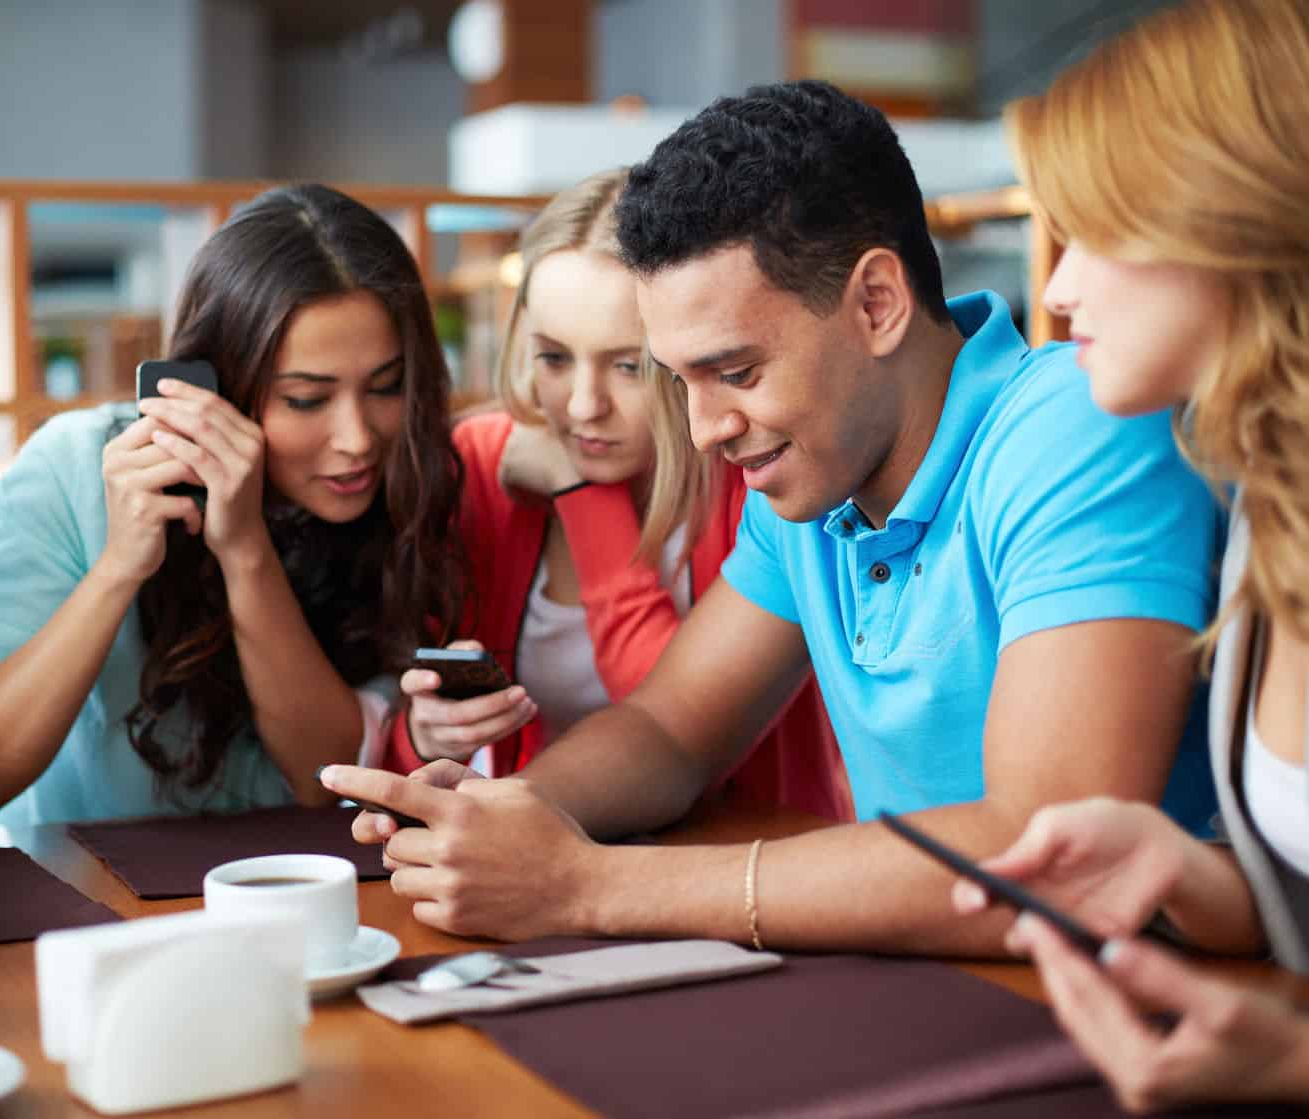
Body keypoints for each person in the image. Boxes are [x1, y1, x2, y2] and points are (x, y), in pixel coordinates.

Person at [322, 78, 1222, 956]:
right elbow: (669, 729)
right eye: (680, 380)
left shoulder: (1075, 423)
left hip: (1131, 1021)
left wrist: (587, 887)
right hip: (934, 986)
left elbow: (1050, 852)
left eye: (738, 373)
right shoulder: (817, 482)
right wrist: (513, 813)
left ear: (878, 303)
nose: (707, 431)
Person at [947, 1, 1309, 1110]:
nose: (1054, 291)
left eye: (1095, 233)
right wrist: (1187, 871)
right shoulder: (1266, 504)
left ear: (1229, 219)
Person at [0, 184, 464, 831]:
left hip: (296, 888)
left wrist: (244, 547)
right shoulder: (73, 468)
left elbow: (322, 777)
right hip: (89, 905)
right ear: (217, 380)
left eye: (387, 387)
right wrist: (119, 567)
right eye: (306, 399)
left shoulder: (407, 483)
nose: (357, 438)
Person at [389, 168, 850, 823]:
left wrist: (583, 497)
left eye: (627, 366)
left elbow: (680, 730)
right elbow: (394, 753)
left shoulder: (757, 477)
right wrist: (428, 733)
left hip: (747, 862)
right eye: (553, 358)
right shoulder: (483, 467)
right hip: (541, 855)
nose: (582, 405)